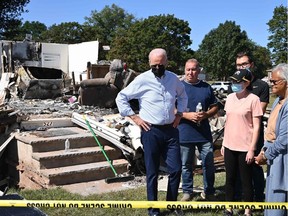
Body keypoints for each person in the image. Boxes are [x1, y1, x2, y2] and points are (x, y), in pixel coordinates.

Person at [115, 48, 188, 216]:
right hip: (151, 131)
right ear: (149, 64)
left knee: (176, 169)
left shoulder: (173, 79)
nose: (158, 67)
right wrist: (135, 118)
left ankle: (171, 205)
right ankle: (153, 209)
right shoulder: (142, 80)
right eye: (155, 65)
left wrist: (180, 114)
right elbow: (121, 97)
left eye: (161, 64)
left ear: (166, 62)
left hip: (171, 130)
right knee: (152, 172)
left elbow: (183, 96)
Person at [228, 51, 269, 201]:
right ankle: (238, 198)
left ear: (251, 65)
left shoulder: (261, 86)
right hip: (235, 138)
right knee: (237, 173)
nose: (241, 67)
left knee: (255, 169)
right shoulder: (234, 85)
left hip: (252, 137)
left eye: (244, 64)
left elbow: (260, 112)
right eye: (238, 65)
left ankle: (258, 197)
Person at [221, 69, 263, 216]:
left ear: (247, 82)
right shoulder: (230, 98)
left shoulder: (254, 100)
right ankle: (229, 208)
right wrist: (223, 143)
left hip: (245, 146)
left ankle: (247, 210)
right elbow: (228, 121)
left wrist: (252, 149)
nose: (234, 84)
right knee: (230, 178)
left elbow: (257, 126)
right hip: (229, 144)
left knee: (246, 180)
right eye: (233, 81)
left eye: (238, 81)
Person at [178, 59, 218, 201]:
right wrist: (186, 115)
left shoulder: (206, 87)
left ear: (199, 71)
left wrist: (206, 114)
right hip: (184, 132)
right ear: (184, 70)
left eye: (194, 69)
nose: (191, 72)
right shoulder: (179, 87)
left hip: (204, 134)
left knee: (208, 164)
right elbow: (171, 109)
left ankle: (209, 191)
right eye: (188, 69)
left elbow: (215, 106)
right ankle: (187, 191)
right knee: (186, 164)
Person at [255, 63, 288, 216]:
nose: (271, 84)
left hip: (283, 161)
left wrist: (266, 155)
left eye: (274, 81)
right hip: (273, 157)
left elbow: (283, 140)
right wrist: (264, 149)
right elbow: (270, 132)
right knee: (271, 201)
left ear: (286, 83)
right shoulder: (277, 101)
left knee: (278, 203)